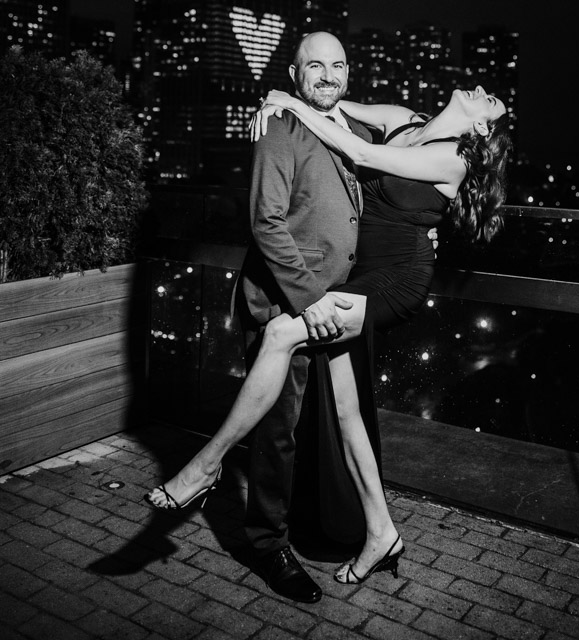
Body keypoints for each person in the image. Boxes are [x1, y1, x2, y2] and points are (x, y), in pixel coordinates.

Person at [146, 36, 510, 598]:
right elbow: (337, 108)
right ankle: (381, 530)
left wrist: (289, 103)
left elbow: (360, 156)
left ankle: (207, 466)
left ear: (480, 130)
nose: (485, 91)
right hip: (349, 278)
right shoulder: (400, 119)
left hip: (391, 281)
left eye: (492, 103)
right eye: (317, 64)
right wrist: (281, 97)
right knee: (345, 413)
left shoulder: (452, 156)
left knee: (283, 336)